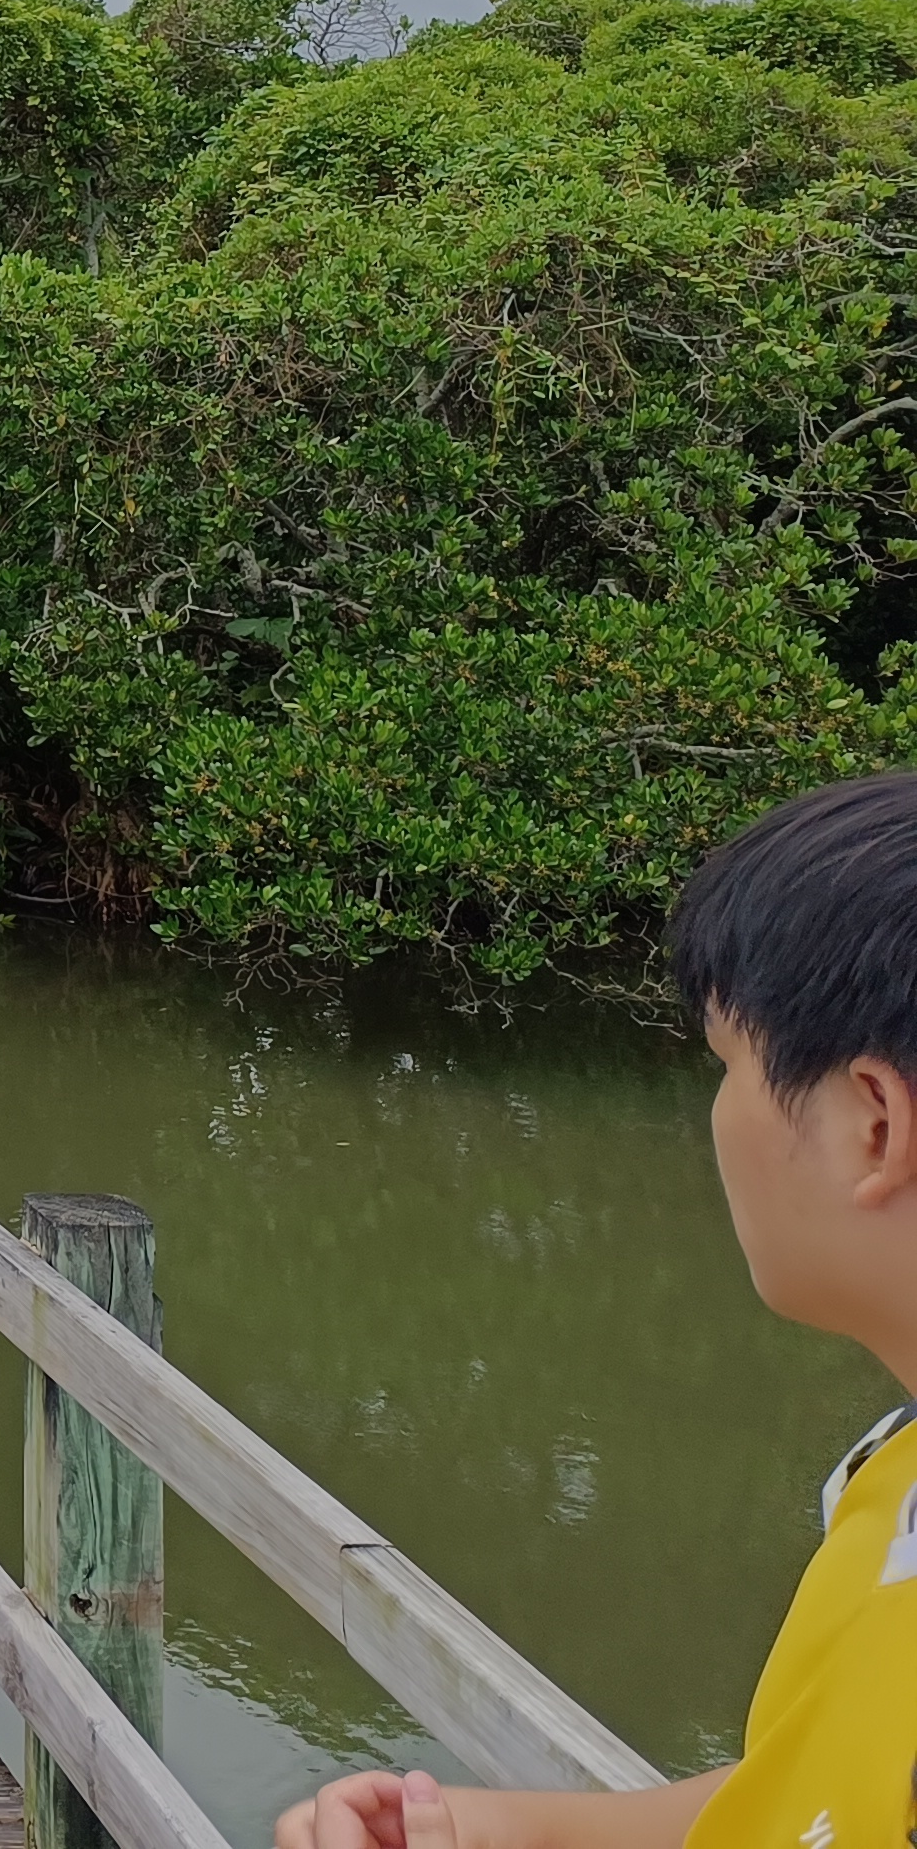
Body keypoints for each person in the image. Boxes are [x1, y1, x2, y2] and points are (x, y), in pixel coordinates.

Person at [274, 772, 917, 1849]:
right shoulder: (888, 1474)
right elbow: (813, 1785)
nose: (716, 1117)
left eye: (726, 1066)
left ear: (875, 1125)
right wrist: (513, 1830)